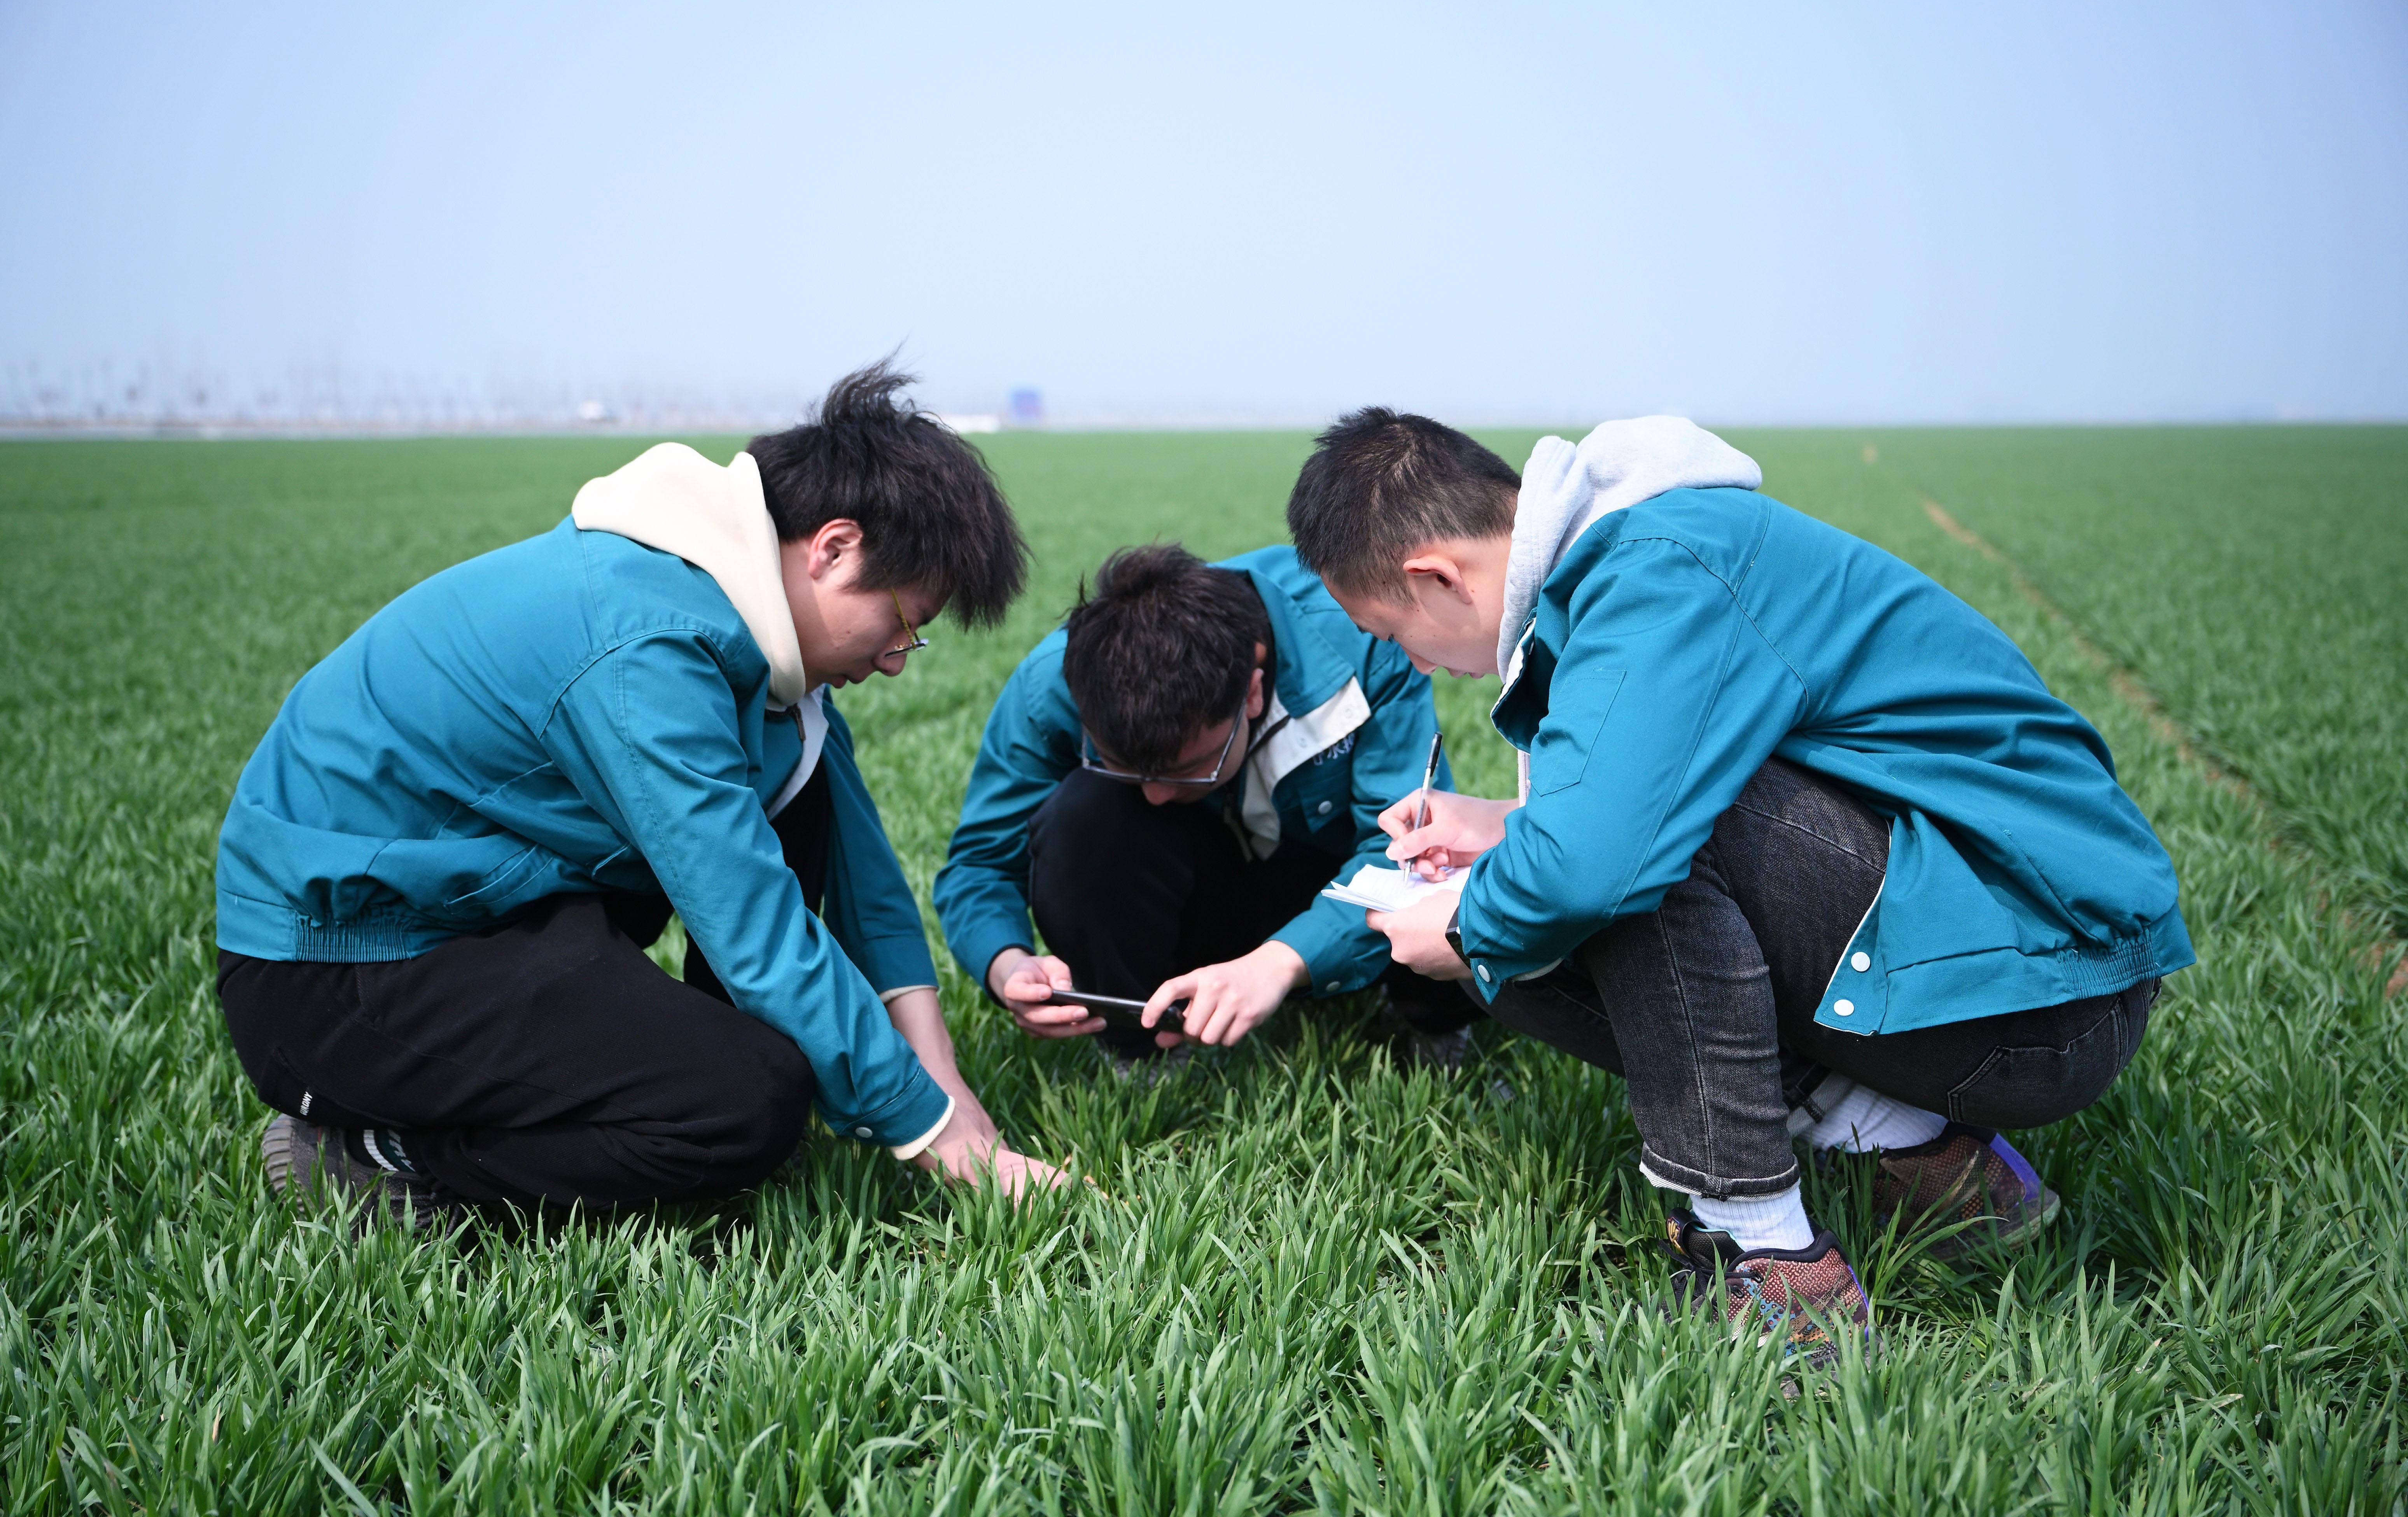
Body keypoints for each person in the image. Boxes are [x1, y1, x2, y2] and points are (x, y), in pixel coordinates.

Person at [1285, 408, 2192, 1370]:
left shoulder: (1658, 572)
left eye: (1400, 635)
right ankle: (1932, 1160)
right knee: (1549, 910)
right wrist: (1494, 834)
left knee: (1608, 861)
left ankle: (1765, 1254)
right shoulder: (1633, 565)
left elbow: (1612, 848)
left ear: (1435, 577)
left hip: (2048, 991)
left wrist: (1467, 925)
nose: (1420, 665)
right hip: (2002, 955)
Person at [214, 362, 1066, 1229]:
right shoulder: (647, 645)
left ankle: (691, 1076)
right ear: (834, 547)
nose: (897, 657)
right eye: (904, 622)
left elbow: (863, 877)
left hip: (483, 919)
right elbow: (756, 931)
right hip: (338, 966)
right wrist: (943, 1142)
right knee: (746, 1105)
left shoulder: (754, 629)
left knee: (799, 789)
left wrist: (946, 1086)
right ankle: (375, 1162)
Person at [934, 543, 1484, 1071]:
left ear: (1250, 690)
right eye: (1126, 769)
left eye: (1187, 768)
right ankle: (1140, 1047)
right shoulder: (1052, 683)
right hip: (1193, 894)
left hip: (1331, 890)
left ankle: (1438, 1027)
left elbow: (1403, 851)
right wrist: (1007, 964)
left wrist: (1278, 963)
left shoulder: (1363, 635)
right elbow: (982, 862)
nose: (1154, 795)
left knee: (1435, 854)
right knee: (1085, 816)